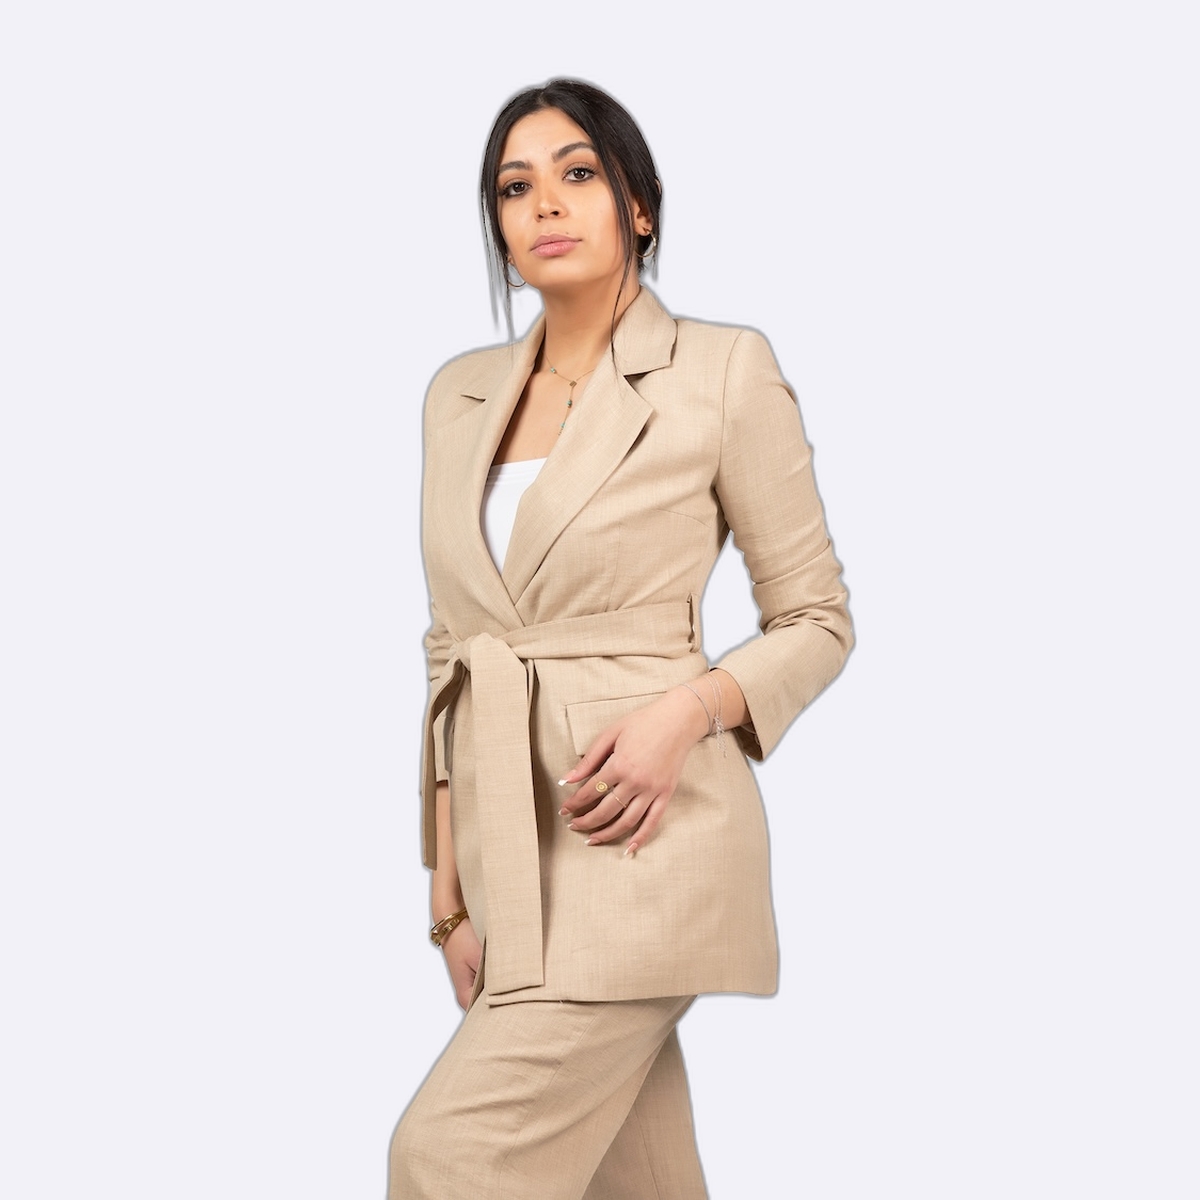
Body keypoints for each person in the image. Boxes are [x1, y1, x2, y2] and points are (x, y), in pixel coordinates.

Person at [390, 78, 852, 1199]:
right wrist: (450, 897)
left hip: (642, 842)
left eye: (579, 173)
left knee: (445, 1159)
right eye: (515, 187)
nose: (545, 203)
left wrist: (685, 715)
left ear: (638, 206)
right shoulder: (458, 397)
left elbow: (816, 618)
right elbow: (453, 655)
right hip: (506, 861)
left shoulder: (721, 371)